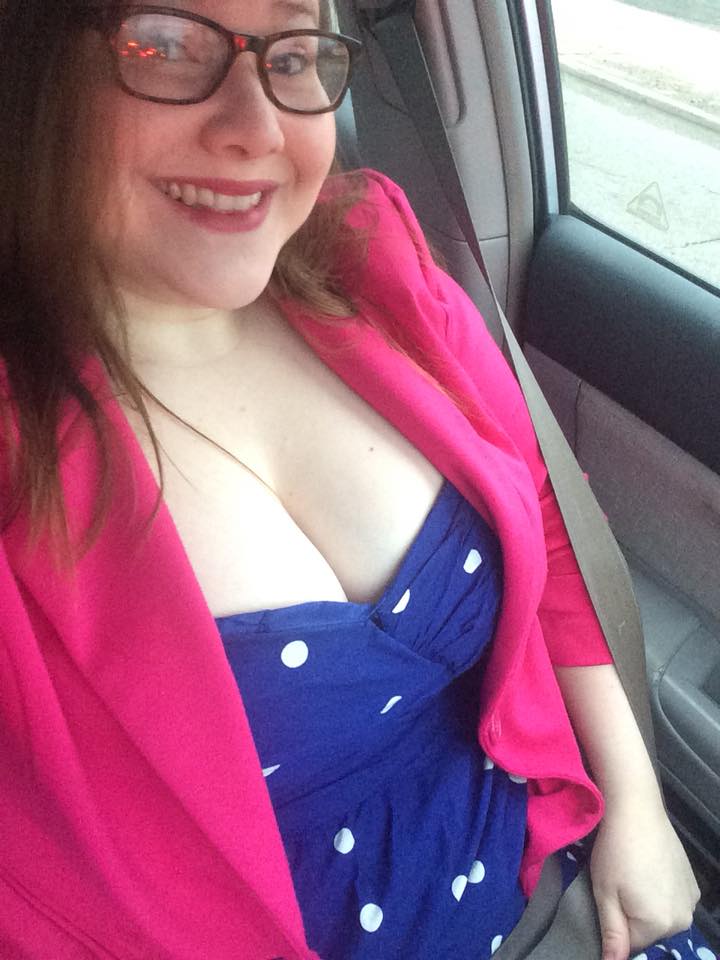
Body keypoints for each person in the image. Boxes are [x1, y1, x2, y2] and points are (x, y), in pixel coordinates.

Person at [0, 1, 713, 959]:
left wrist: (636, 804)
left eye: (293, 56)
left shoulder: (376, 263)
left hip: (565, 895)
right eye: (166, 46)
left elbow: (548, 515)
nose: (257, 127)